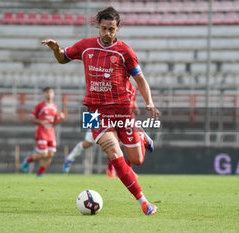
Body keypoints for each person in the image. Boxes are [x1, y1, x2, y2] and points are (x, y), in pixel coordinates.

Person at [42, 6, 160, 215]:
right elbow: (63, 58)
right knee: (114, 154)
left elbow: (140, 79)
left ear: (118, 28)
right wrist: (55, 50)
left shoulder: (125, 52)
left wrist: (149, 102)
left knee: (136, 160)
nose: (107, 33)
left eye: (111, 29)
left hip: (122, 111)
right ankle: (143, 201)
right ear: (98, 26)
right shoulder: (85, 46)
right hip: (94, 111)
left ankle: (140, 136)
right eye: (104, 28)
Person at [62, 84, 153, 179]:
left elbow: (130, 102)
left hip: (114, 115)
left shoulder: (129, 87)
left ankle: (114, 169)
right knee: (88, 143)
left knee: (120, 142)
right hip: (95, 111)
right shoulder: (100, 78)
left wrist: (135, 108)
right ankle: (69, 158)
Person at [21, 87, 65, 177]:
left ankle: (40, 173)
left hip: (51, 133)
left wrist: (61, 118)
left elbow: (56, 122)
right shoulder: (40, 106)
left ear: (54, 94)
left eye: (51, 92)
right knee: (44, 154)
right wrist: (41, 122)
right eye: (47, 92)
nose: (49, 94)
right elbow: (30, 118)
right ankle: (28, 160)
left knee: (50, 154)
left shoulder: (55, 107)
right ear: (44, 94)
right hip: (41, 132)